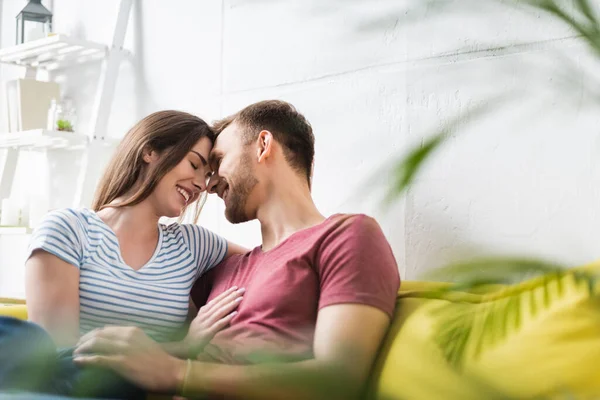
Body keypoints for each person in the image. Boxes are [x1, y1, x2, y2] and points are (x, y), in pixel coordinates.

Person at [73, 100, 401, 400]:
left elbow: (338, 379)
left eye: (217, 162)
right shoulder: (220, 267)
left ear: (263, 146)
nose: (208, 184)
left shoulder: (346, 236)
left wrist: (178, 373)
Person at [0, 110, 247, 397]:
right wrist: (181, 348)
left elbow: (270, 259)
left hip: (123, 390)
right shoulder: (69, 229)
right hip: (66, 383)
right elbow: (62, 355)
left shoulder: (193, 245)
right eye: (194, 164)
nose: (201, 185)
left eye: (207, 177)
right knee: (24, 339)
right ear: (149, 151)